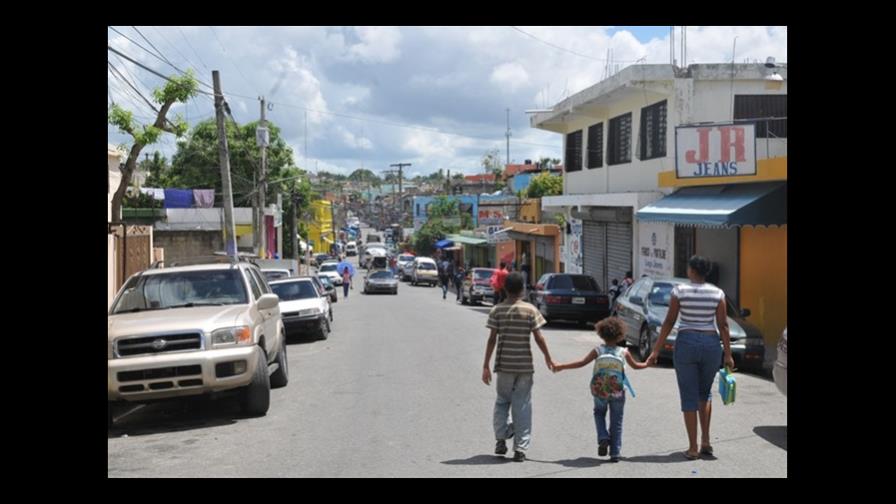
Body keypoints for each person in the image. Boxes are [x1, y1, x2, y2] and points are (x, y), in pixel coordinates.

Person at [647, 255, 735, 460]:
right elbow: (723, 325)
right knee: (705, 394)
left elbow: (669, 321)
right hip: (711, 344)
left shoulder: (679, 291)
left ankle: (693, 447)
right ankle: (706, 441)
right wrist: (728, 354)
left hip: (686, 342)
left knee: (688, 395)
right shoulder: (717, 293)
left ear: (692, 270)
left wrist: (656, 350)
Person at [552, 317, 648, 461]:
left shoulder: (598, 350)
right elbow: (636, 366)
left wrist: (561, 366)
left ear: (601, 333)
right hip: (618, 391)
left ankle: (603, 437)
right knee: (617, 421)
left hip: (600, 390)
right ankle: (615, 452)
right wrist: (648, 362)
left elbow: (581, 363)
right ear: (620, 334)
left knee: (599, 413)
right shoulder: (624, 352)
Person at [482, 272, 554, 462]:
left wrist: (485, 366)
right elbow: (539, 338)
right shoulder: (530, 310)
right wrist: (548, 358)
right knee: (522, 405)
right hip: (524, 367)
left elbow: (491, 340)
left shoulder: (497, 310)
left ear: (504, 289)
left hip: (504, 366)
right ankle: (520, 449)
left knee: (502, 402)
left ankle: (501, 438)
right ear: (522, 289)